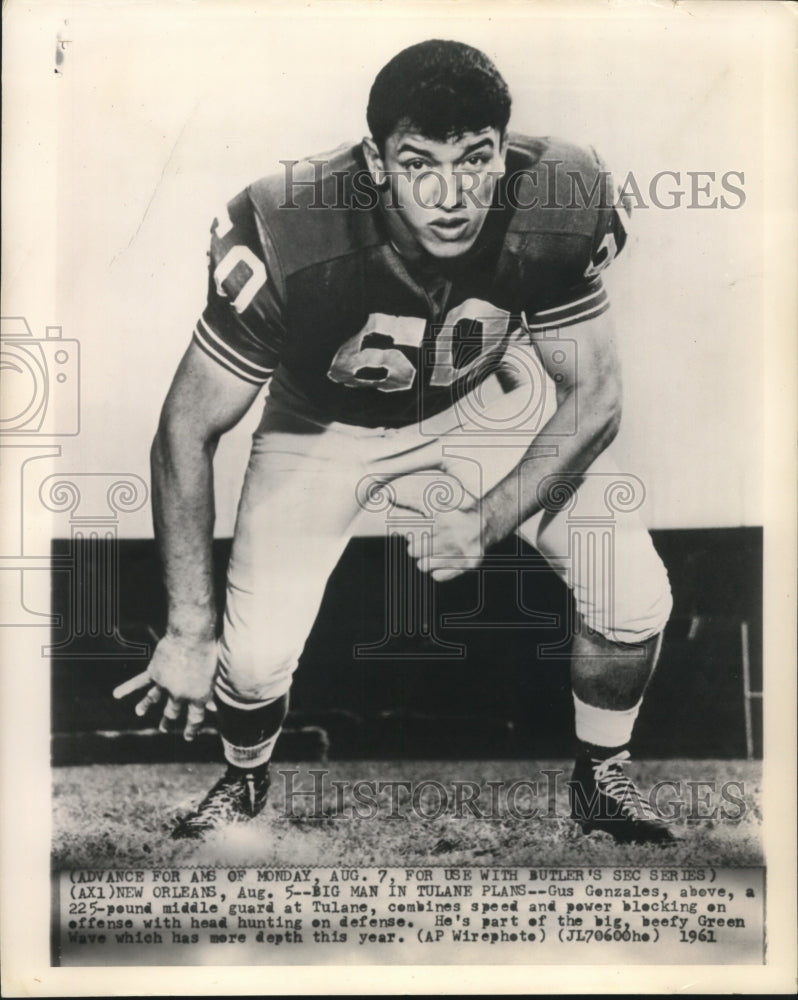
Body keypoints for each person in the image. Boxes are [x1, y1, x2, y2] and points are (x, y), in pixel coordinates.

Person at [123, 39, 675, 843]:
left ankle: (603, 777)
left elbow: (596, 398)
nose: (450, 195)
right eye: (419, 163)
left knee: (633, 594)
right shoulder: (289, 222)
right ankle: (244, 779)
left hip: (483, 396)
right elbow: (184, 429)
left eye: (475, 159)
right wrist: (186, 627)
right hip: (323, 422)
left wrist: (486, 519)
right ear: (376, 160)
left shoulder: (558, 189)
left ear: (504, 148)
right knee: (248, 665)